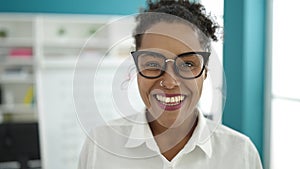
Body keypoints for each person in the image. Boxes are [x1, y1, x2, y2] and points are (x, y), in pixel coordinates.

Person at [78, 0, 263, 168]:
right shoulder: (100, 145)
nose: (169, 82)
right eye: (152, 64)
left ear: (205, 70)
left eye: (188, 64)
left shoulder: (240, 154)